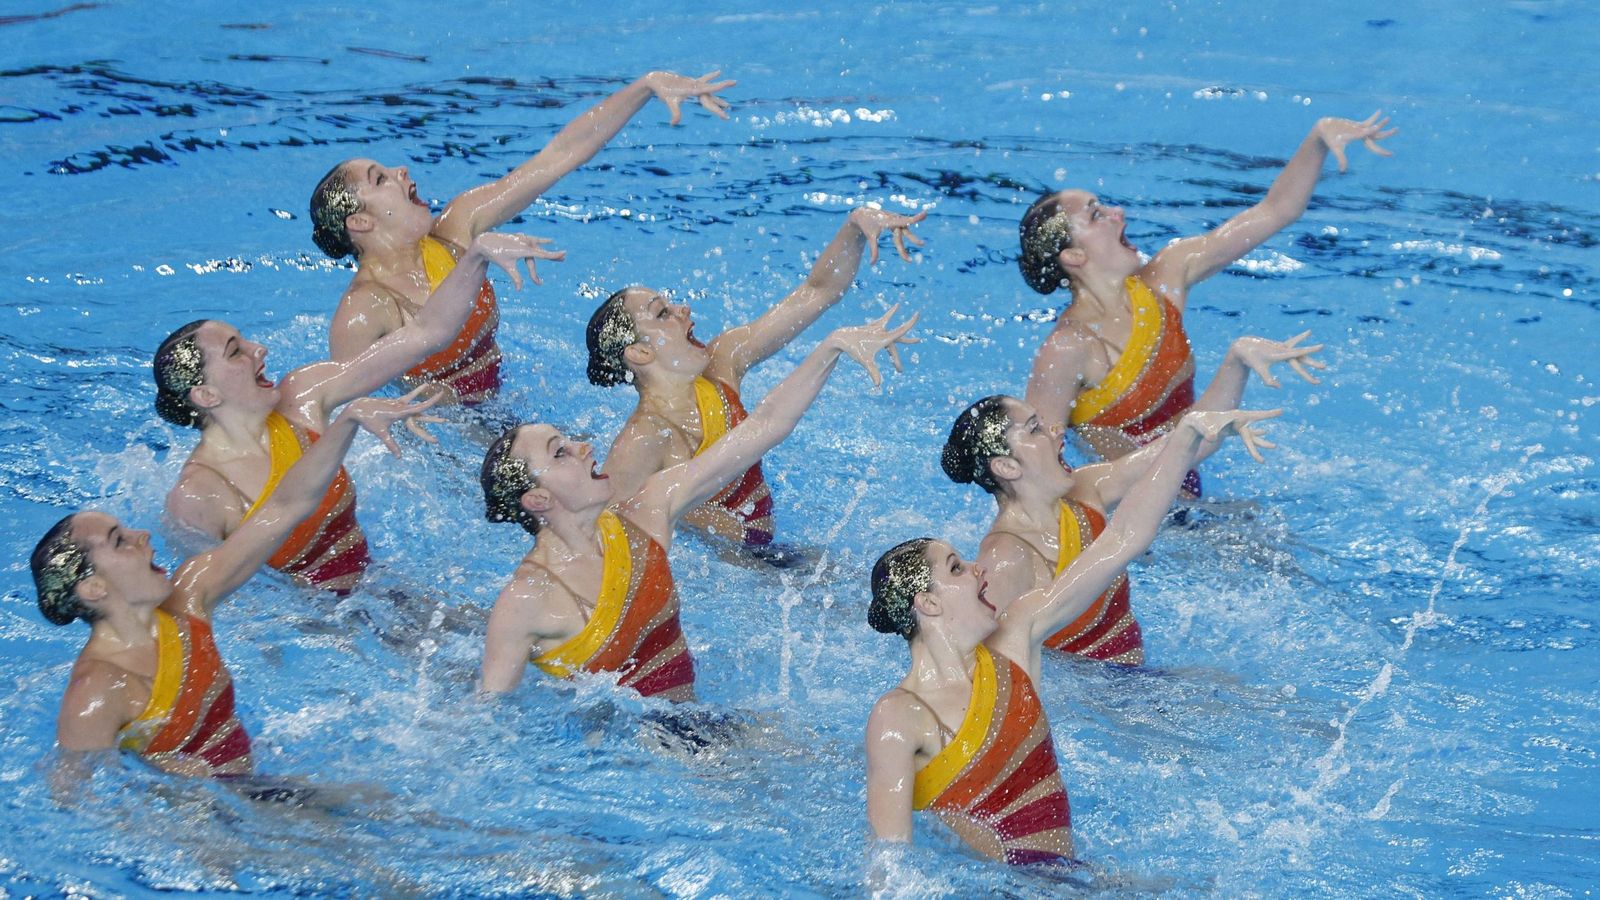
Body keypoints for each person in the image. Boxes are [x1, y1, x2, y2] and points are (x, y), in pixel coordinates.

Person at [864, 407, 1278, 864]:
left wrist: (1185, 437)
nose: (978, 568)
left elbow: (1123, 540)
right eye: (957, 568)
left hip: (1066, 878)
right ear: (929, 604)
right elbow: (890, 862)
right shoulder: (899, 717)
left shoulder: (1017, 637)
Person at [479, 310, 918, 698]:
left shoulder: (648, 511)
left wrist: (831, 347)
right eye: (560, 452)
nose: (584, 447)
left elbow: (764, 427)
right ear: (538, 498)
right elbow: (491, 721)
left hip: (691, 728)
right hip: (615, 758)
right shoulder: (524, 601)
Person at [33, 394, 437, 777]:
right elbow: (78, 802)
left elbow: (284, 508)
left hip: (252, 791)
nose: (142, 535)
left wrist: (349, 421)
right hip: (202, 829)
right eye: (120, 541)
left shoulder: (190, 595)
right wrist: (157, 783)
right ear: (93, 589)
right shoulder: (96, 695)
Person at [160, 232, 562, 592]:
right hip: (312, 631)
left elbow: (425, 334)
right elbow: (218, 603)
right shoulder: (198, 497)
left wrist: (476, 257)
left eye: (246, 340)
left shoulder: (303, 396)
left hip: (375, 586)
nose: (258, 350)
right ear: (206, 394)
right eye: (236, 352)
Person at [1018, 112, 1394, 496]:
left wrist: (1317, 140)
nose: (1119, 214)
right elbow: (1034, 470)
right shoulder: (1066, 350)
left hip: (1188, 494)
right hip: (1128, 515)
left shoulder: (1167, 276)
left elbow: (1274, 212)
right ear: (1074, 257)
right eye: (1097, 215)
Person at [311, 70, 735, 404]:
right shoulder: (362, 314)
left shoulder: (458, 227)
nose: (401, 171)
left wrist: (643, 87)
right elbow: (347, 407)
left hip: (502, 405)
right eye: (380, 179)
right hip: (441, 442)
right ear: (360, 222)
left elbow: (558, 157)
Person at [943, 332, 1325, 664]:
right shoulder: (1006, 558)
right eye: (1035, 429)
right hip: (1098, 703)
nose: (1058, 430)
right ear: (1007, 467)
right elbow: (989, 664)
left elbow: (1184, 448)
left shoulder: (1086, 487)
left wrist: (1237, 360)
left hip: (1134, 680)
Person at [586, 206, 925, 549]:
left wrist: (854, 225)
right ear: (641, 353)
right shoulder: (643, 439)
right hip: (733, 570)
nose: (683, 309)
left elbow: (817, 292)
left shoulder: (723, 360)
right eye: (663, 313)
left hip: (768, 552)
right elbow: (602, 534)